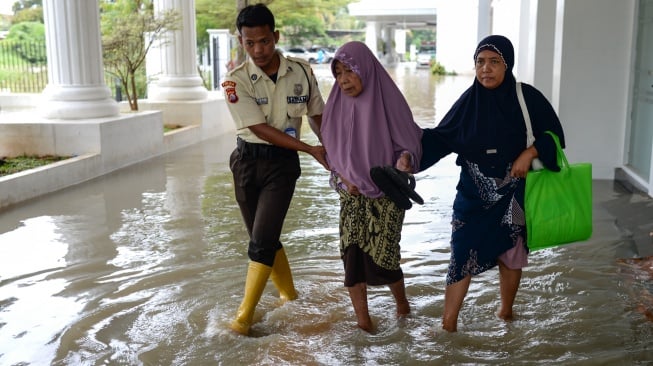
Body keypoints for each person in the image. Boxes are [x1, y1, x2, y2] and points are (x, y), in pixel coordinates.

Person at [419, 35, 565, 332]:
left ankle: (506, 314)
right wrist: (408, 156)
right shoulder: (468, 102)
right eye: (480, 62)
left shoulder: (527, 97)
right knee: (461, 254)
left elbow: (555, 135)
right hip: (473, 196)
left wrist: (531, 152)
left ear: (507, 64)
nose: (486, 69)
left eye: (494, 62)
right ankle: (448, 326)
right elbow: (439, 138)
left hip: (515, 193)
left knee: (511, 254)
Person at [221, 3, 328, 336]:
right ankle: (289, 295)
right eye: (250, 43)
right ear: (240, 41)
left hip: (281, 165)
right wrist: (310, 149)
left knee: (262, 241)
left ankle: (243, 318)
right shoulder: (234, 81)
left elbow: (316, 115)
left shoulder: (302, 71)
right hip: (246, 162)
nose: (258, 50)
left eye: (264, 41)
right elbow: (258, 129)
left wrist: (335, 154)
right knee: (261, 237)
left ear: (276, 36)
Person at [321, 41, 423, 332]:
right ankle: (363, 323)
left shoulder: (388, 100)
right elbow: (332, 155)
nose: (343, 80)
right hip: (350, 195)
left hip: (386, 195)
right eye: (338, 73)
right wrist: (344, 180)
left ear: (365, 69)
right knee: (352, 258)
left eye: (350, 71)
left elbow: (410, 143)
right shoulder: (335, 106)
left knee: (385, 259)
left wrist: (404, 160)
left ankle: (402, 305)